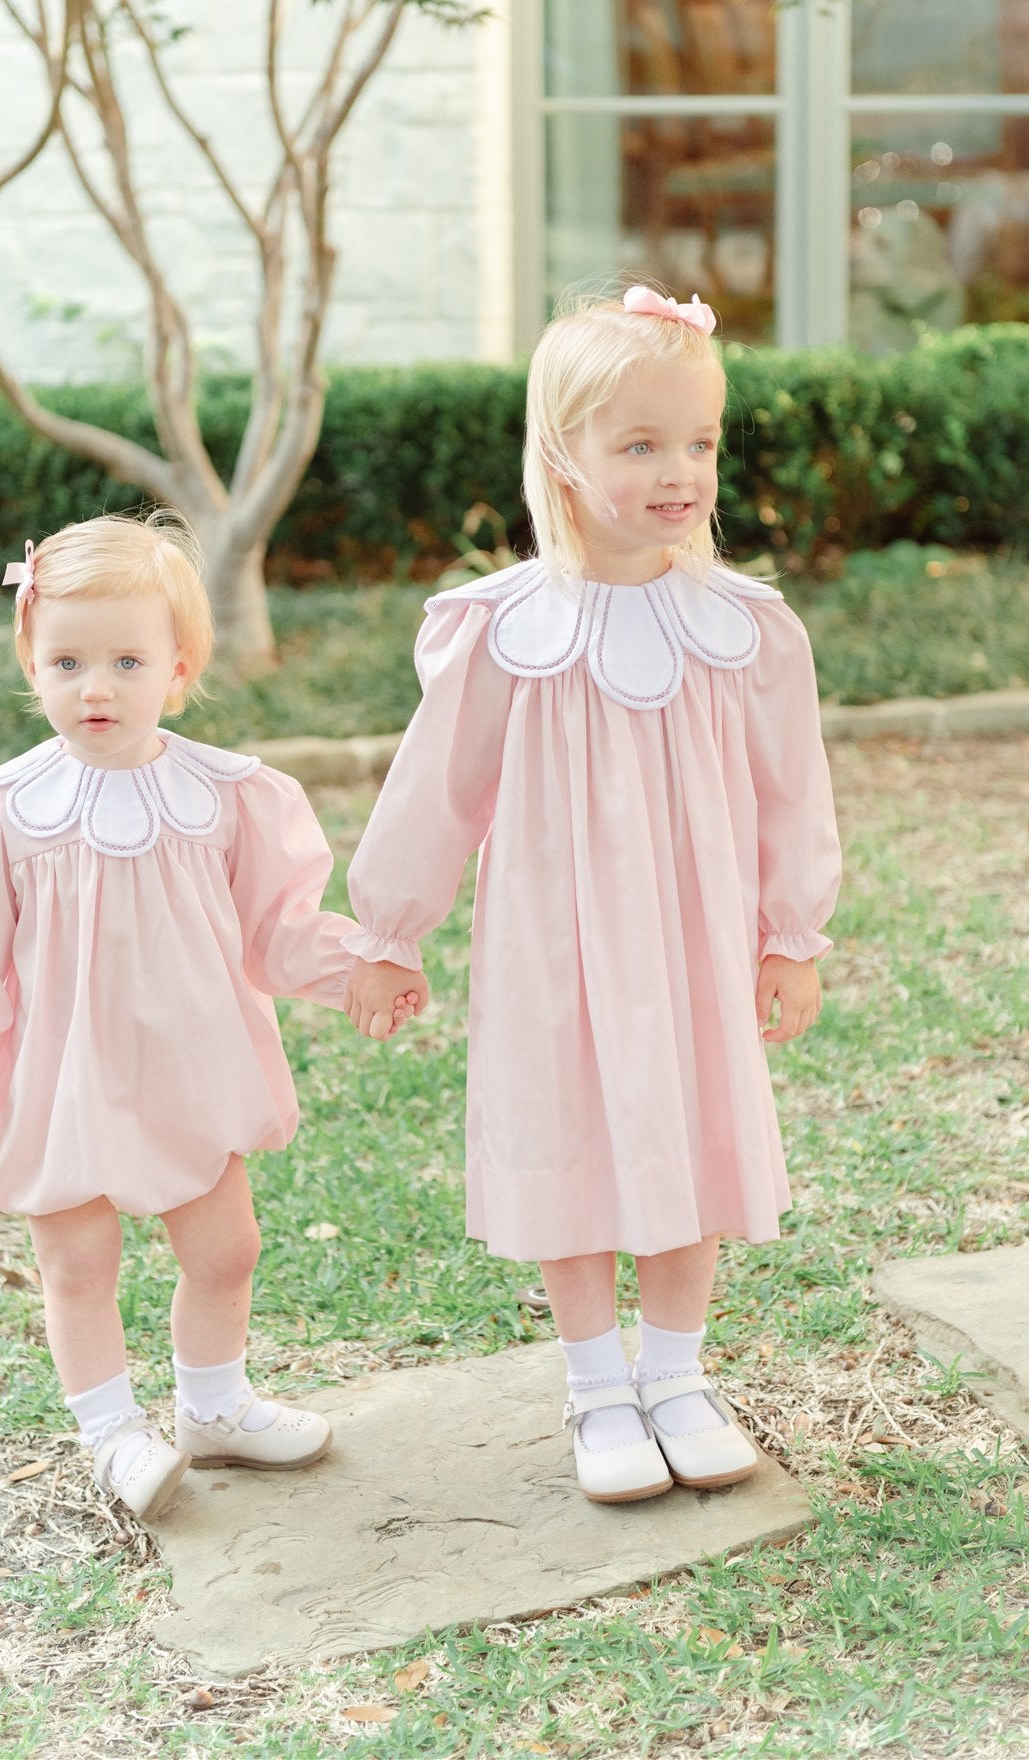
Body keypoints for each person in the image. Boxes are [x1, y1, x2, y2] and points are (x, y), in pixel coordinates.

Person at [343, 287, 841, 1504]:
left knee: (691, 1126)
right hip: (553, 944)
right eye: (640, 445)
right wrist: (390, 927)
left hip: (693, 939)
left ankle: (676, 1372)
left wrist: (790, 934)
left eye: (699, 442)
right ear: (563, 453)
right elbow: (436, 789)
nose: (680, 471)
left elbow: (793, 792)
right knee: (570, 1131)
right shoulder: (505, 630)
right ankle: (594, 1382)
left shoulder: (745, 628)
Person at [0, 513, 426, 1521]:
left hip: (188, 1066)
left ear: (178, 669)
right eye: (66, 660)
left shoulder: (225, 797)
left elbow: (279, 928)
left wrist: (355, 965)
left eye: (125, 660)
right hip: (60, 1075)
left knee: (225, 1246)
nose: (94, 686)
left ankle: (214, 1403)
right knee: (78, 1256)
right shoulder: (0, 813)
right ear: (30, 658)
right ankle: (110, 1431)